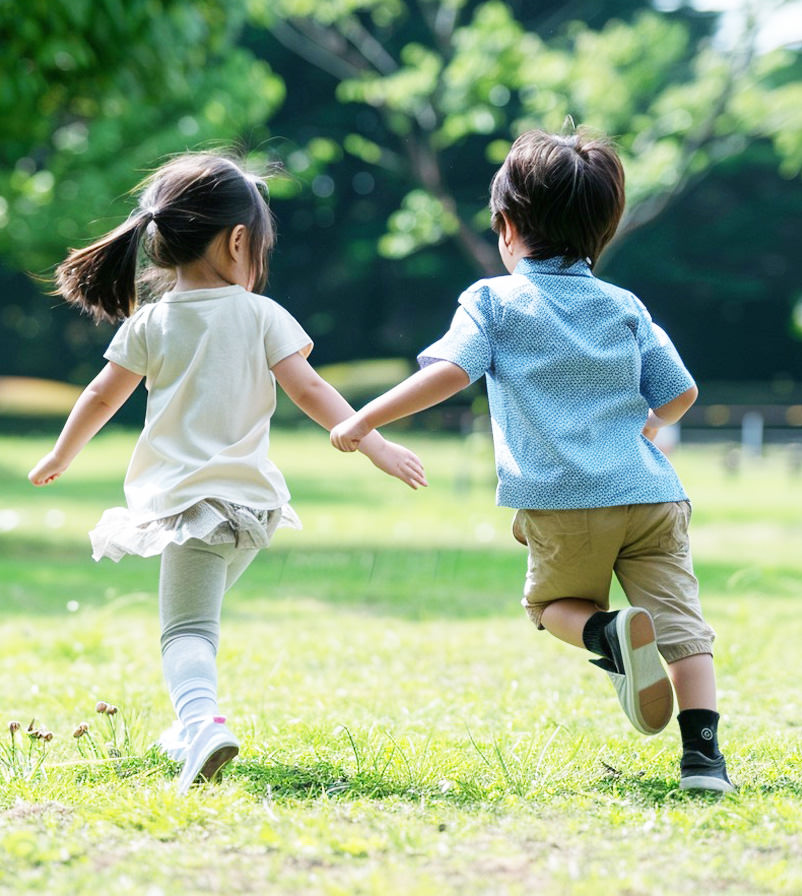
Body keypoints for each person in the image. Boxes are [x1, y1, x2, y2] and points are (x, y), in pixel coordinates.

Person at [331, 128, 733, 793]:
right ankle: (704, 762)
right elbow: (680, 392)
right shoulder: (625, 305)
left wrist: (365, 417)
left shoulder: (492, 301)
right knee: (684, 631)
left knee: (551, 605)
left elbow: (451, 372)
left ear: (508, 227)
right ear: (603, 229)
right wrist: (650, 425)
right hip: (653, 496)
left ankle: (607, 633)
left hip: (563, 500)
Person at [28, 152, 427, 795]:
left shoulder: (152, 323)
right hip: (252, 509)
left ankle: (201, 724)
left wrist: (61, 455)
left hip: (191, 509)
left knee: (186, 631)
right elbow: (311, 390)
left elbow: (101, 396)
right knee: (201, 621)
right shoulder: (261, 315)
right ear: (239, 242)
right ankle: (187, 726)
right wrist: (373, 443)